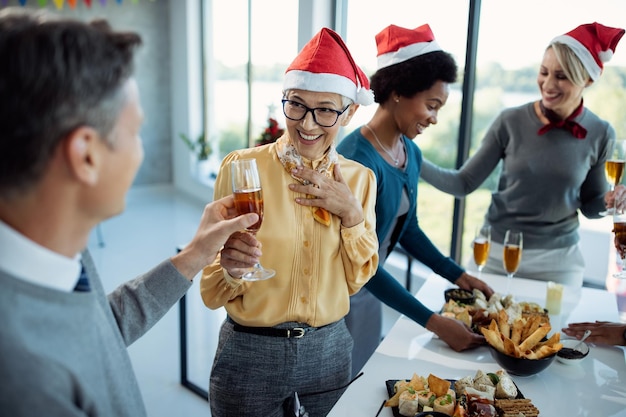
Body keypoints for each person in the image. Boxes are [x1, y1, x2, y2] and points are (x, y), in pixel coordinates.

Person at [0, 8, 260, 417]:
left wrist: (194, 255)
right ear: (85, 154)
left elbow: (100, 332)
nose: (140, 150)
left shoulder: (60, 255)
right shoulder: (25, 381)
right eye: (135, 132)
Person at [199, 27, 379, 416]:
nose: (308, 124)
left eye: (326, 109)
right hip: (250, 351)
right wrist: (229, 268)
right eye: (296, 105)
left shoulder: (360, 181)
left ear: (349, 111)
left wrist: (350, 214)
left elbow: (356, 279)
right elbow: (211, 290)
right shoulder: (242, 167)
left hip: (329, 349)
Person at [337, 24, 495, 377]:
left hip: (370, 291)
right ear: (397, 91)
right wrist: (434, 322)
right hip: (336, 296)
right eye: (431, 105)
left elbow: (408, 229)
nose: (434, 119)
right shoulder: (356, 162)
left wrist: (458, 275)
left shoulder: (410, 152)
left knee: (361, 376)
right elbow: (357, 263)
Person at [420, 22, 625, 288]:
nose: (548, 84)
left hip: (559, 263)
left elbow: (590, 206)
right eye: (543, 72)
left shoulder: (600, 132)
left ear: (586, 79)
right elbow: (463, 183)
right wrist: (411, 157)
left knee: (557, 330)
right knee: (477, 327)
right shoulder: (510, 120)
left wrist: (609, 201)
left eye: (561, 76)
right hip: (497, 252)